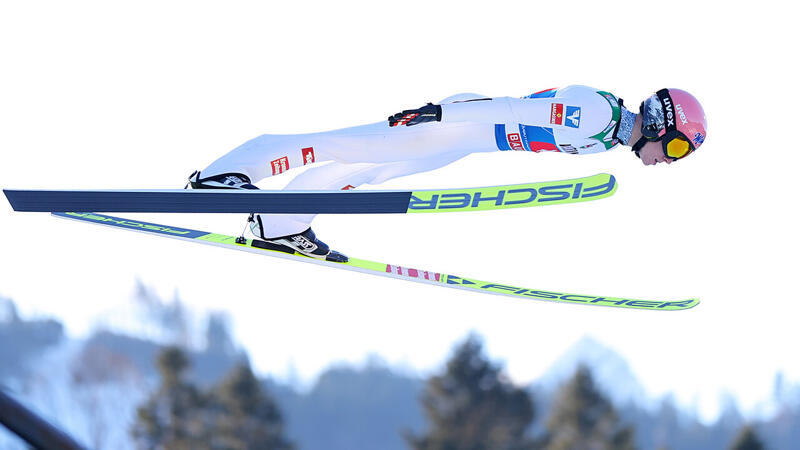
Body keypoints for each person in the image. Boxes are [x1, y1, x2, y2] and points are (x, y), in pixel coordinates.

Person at [187, 85, 707, 262]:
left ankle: (278, 225)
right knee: (347, 144)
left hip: (468, 141)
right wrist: (441, 112)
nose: (670, 159)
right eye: (677, 146)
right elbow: (511, 106)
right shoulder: (596, 114)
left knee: (364, 172)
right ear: (662, 123)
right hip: (461, 125)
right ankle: (225, 173)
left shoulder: (608, 133)